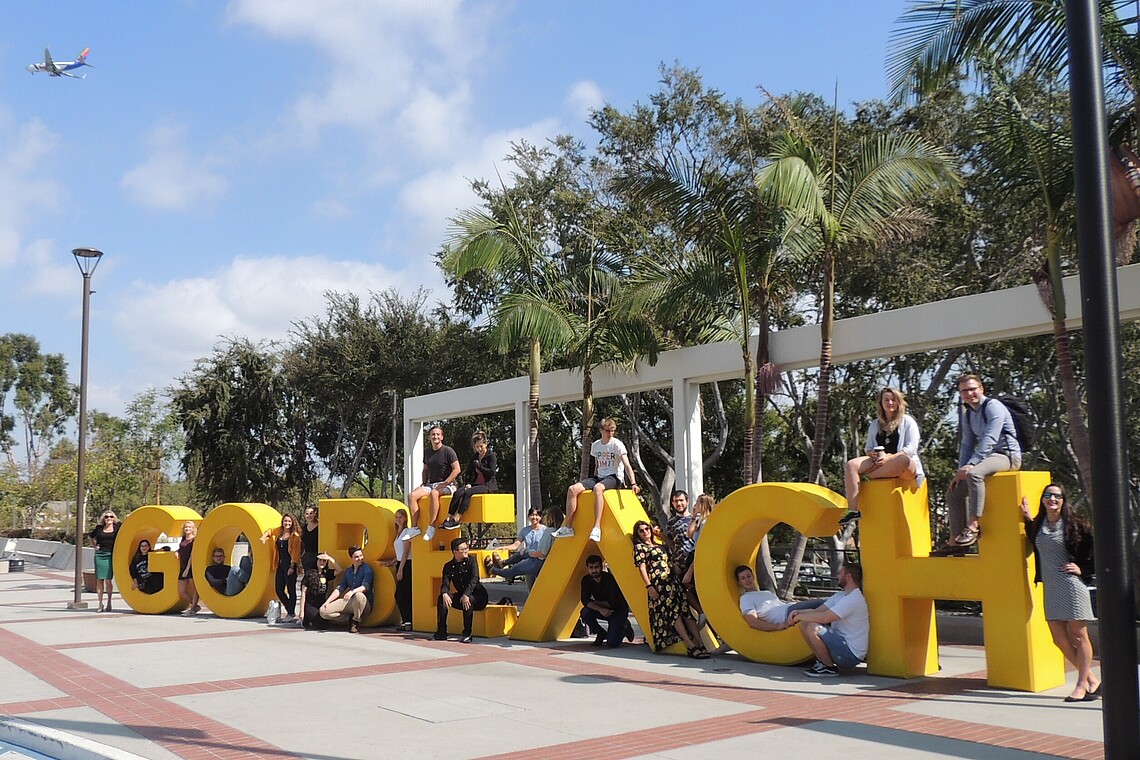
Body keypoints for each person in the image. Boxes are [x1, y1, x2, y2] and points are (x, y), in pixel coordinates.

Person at [1020, 485, 1100, 702]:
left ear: (1064, 500)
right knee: (1059, 638)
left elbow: (1096, 548)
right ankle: (1092, 680)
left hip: (1072, 585)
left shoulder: (1075, 524)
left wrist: (1083, 569)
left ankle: (1081, 685)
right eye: (1048, 495)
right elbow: (1034, 537)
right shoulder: (1039, 524)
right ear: (1043, 500)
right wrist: (1027, 517)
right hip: (1052, 587)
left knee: (1078, 635)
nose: (1052, 499)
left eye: (1057, 496)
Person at [940, 374, 1021, 551]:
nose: (969, 394)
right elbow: (967, 444)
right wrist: (961, 470)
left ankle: (973, 525)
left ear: (981, 389)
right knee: (954, 492)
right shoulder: (969, 414)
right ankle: (955, 541)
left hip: (1007, 455)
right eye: (964, 391)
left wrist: (972, 465)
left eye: (972, 389)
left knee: (975, 473)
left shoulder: (993, 406)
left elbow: (990, 438)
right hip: (987, 458)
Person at [839, 387, 925, 524]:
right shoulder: (875, 424)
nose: (890, 403)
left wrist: (889, 457)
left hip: (902, 464)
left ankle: (865, 478)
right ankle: (853, 510)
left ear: (898, 402)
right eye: (886, 400)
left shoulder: (908, 421)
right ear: (881, 403)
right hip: (879, 462)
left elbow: (911, 448)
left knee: (903, 460)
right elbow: (868, 448)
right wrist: (872, 454)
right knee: (852, 464)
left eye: (893, 400)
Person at [554, 418, 642, 542]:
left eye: (613, 431)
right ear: (601, 430)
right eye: (608, 431)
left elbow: (627, 465)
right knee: (572, 489)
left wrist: (633, 483)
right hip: (599, 477)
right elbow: (597, 465)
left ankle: (596, 528)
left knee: (598, 488)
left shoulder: (617, 444)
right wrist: (593, 479)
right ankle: (568, 527)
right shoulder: (596, 445)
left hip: (614, 477)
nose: (610, 434)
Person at [631, 520, 708, 659]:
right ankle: (690, 645)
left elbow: (672, 547)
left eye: (647, 529)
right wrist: (649, 586)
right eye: (641, 531)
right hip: (659, 583)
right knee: (674, 614)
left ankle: (701, 644)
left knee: (685, 611)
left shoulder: (660, 546)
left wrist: (660, 535)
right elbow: (642, 568)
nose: (645, 532)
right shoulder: (640, 548)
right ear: (637, 534)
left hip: (672, 580)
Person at [788, 561, 869, 677]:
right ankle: (822, 663)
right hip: (839, 645)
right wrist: (798, 612)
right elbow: (818, 611)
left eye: (840, 573)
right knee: (805, 624)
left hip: (850, 654)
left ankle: (828, 668)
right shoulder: (840, 596)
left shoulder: (854, 599)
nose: (837, 576)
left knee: (813, 627)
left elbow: (825, 618)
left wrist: (798, 617)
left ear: (848, 577)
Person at [400, 426, 461, 543]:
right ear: (429, 437)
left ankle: (431, 526)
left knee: (434, 493)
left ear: (442, 437)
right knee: (412, 496)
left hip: (448, 485)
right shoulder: (427, 452)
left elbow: (457, 469)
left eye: (438, 434)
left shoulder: (448, 451)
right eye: (433, 434)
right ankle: (414, 528)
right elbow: (425, 469)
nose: (435, 436)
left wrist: (446, 482)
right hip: (431, 484)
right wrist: (423, 483)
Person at [735, 565, 822, 631]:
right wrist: (778, 626)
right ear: (739, 582)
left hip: (790, 607)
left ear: (753, 577)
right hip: (786, 614)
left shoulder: (766, 592)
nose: (747, 580)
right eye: (743, 578)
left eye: (748, 576)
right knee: (822, 603)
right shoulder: (745, 598)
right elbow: (752, 621)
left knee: (824, 607)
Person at [434, 537, 488, 643]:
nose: (466, 551)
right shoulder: (448, 566)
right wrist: (444, 593)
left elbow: (474, 579)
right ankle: (441, 632)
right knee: (442, 598)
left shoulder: (472, 561)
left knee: (468, 600)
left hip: (478, 597)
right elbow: (445, 583)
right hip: (462, 595)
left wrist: (466, 594)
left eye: (466, 548)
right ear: (455, 552)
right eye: (463, 549)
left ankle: (467, 633)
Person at [440, 431, 497, 530]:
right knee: (458, 493)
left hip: (487, 485)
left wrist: (479, 466)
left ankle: (456, 519)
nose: (479, 449)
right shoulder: (474, 457)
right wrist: (468, 483)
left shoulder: (491, 456)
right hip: (475, 484)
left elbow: (491, 472)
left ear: (486, 444)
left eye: (481, 446)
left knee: (468, 493)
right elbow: (468, 472)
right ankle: (448, 518)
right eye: (477, 447)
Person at [485, 507, 552, 587]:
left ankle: (499, 565)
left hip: (540, 561)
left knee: (540, 586)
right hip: (528, 561)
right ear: (528, 517)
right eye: (532, 515)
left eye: (537, 515)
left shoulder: (545, 530)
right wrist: (505, 547)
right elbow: (516, 545)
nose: (534, 517)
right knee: (530, 587)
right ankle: (501, 564)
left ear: (540, 517)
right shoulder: (525, 530)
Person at [580, 554, 633, 647]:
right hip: (603, 609)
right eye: (591, 567)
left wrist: (594, 602)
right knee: (585, 612)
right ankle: (601, 633)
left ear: (601, 567)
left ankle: (625, 627)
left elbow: (613, 603)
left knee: (612, 643)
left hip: (618, 611)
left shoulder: (610, 579)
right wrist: (600, 609)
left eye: (596, 567)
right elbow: (585, 600)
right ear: (587, 568)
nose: (594, 570)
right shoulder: (586, 580)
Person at [320, 545, 373, 633]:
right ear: (351, 558)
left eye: (361, 555)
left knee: (359, 595)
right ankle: (349, 619)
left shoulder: (367, 569)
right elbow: (339, 588)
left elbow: (365, 587)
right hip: (350, 602)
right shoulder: (348, 571)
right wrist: (327, 602)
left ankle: (356, 622)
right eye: (356, 557)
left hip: (363, 603)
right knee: (323, 612)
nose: (360, 558)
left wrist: (352, 592)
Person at [260, 514, 303, 623]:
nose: (287, 523)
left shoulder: (295, 536)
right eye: (285, 521)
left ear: (293, 523)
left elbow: (296, 553)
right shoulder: (279, 531)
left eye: (289, 521)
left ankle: (290, 613)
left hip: (290, 565)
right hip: (280, 564)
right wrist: (264, 537)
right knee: (278, 589)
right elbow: (270, 530)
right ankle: (291, 611)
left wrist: (292, 566)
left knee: (291, 589)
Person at [380, 508, 414, 630]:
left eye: (400, 517)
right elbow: (399, 554)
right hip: (400, 563)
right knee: (403, 594)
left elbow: (405, 553)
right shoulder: (398, 533)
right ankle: (407, 621)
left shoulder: (407, 532)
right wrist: (391, 562)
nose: (398, 519)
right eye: (396, 517)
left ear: (405, 518)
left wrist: (400, 570)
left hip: (407, 564)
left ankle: (408, 621)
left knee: (401, 594)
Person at [89, 510, 120, 612]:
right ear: (104, 518)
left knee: (108, 580)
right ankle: (100, 604)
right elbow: (90, 537)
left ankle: (109, 602)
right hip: (100, 555)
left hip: (111, 555)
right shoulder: (99, 528)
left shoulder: (117, 527)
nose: (109, 518)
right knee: (99, 580)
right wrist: (94, 546)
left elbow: (127, 527)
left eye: (111, 517)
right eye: (107, 517)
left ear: (114, 518)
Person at [299, 552, 340, 631]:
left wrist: (330, 558)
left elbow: (340, 570)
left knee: (327, 623)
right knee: (321, 625)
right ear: (316, 561)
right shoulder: (309, 574)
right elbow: (303, 593)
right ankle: (306, 618)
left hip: (321, 604)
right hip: (310, 604)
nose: (322, 562)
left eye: (324, 561)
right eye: (320, 560)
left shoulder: (326, 573)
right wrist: (301, 611)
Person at [177, 521, 200, 615]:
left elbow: (192, 555)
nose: (187, 529)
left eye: (190, 527)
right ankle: (195, 606)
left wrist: (187, 568)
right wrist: (177, 552)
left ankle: (192, 609)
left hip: (190, 566)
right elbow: (181, 549)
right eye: (186, 527)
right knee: (181, 591)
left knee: (195, 589)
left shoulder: (194, 540)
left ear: (193, 528)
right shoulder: (183, 539)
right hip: (182, 566)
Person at [300, 505, 320, 573]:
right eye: (307, 514)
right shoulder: (303, 528)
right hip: (307, 559)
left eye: (311, 513)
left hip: (317, 558)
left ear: (315, 513)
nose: (309, 516)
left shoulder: (320, 526)